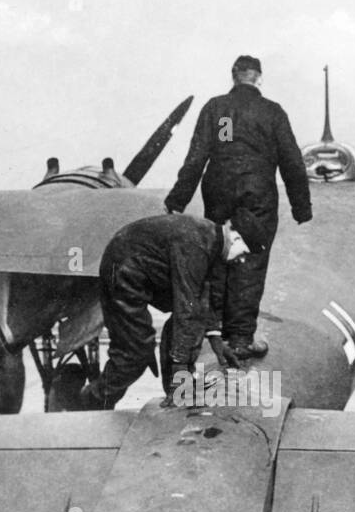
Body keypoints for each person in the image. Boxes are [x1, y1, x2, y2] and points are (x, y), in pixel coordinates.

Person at [164, 55, 312, 361]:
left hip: (219, 190)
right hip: (257, 194)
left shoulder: (219, 110)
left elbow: (198, 156)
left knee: (219, 257)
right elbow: (293, 163)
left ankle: (215, 332)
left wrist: (178, 198)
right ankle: (242, 339)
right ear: (259, 78)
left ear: (234, 76)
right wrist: (302, 208)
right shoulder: (271, 112)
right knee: (251, 260)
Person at [78, 213, 262, 410]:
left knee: (194, 310)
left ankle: (178, 387)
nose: (241, 260)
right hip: (123, 272)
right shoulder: (197, 246)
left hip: (142, 267)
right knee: (136, 353)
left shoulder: (212, 239)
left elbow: (202, 297)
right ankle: (91, 401)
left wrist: (216, 340)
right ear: (235, 238)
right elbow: (187, 309)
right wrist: (180, 370)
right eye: (243, 253)